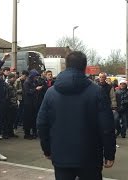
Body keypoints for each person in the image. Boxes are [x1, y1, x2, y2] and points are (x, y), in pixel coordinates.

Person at [37, 51, 116, 180]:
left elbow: (41, 123)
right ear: (84, 67)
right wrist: (109, 154)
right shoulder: (97, 92)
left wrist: (47, 149)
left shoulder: (51, 93)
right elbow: (106, 126)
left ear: (66, 66)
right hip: (90, 156)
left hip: (61, 155)